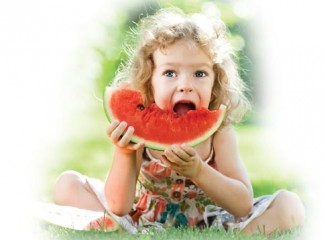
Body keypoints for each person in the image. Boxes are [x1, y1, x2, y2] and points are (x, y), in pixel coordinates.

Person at [53, 7, 305, 234]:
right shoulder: (138, 131)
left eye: (199, 73)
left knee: (290, 205)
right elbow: (119, 205)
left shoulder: (220, 133)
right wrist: (124, 153)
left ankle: (238, 236)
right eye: (170, 73)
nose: (185, 85)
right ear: (149, 82)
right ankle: (122, 231)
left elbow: (242, 204)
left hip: (213, 221)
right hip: (142, 219)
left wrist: (199, 171)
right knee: (67, 184)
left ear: (216, 82)